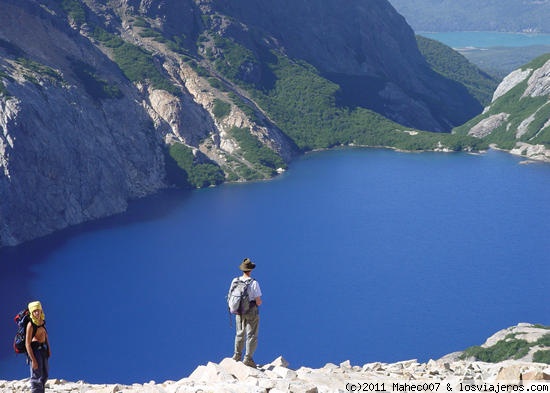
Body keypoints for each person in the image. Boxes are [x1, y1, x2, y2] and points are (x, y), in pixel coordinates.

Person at [229, 258, 262, 368]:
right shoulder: (254, 283)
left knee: (239, 333)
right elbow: (258, 301)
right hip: (251, 310)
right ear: (251, 270)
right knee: (252, 335)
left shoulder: (235, 280)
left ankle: (237, 355)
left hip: (239, 310)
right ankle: (248, 359)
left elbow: (230, 295)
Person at [25, 301, 50, 393]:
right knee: (36, 375)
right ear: (31, 312)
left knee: (45, 374)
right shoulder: (30, 325)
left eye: (38, 310)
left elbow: (45, 334)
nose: (37, 313)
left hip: (43, 349)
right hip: (35, 351)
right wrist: (34, 360)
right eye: (34, 311)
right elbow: (27, 344)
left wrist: (48, 348)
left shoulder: (42, 321)